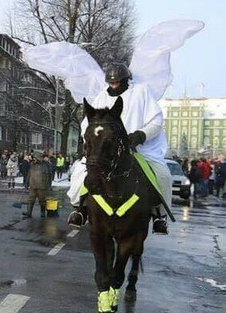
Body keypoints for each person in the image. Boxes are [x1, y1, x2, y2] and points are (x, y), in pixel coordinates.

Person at [68, 63, 172, 234]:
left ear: (125, 80)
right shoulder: (101, 97)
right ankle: (80, 210)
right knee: (79, 172)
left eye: (117, 82)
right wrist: (93, 140)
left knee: (163, 175)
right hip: (105, 151)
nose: (114, 85)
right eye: (111, 83)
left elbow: (156, 121)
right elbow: (88, 122)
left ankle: (158, 215)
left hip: (136, 148)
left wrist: (140, 135)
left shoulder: (141, 92)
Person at [23, 154, 51, 218]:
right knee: (30, 200)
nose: (33, 159)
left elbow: (48, 176)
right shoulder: (32, 165)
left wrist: (48, 185)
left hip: (41, 186)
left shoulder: (44, 165)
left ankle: (42, 212)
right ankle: (29, 212)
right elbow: (29, 174)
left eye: (35, 158)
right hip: (32, 186)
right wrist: (27, 183)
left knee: (42, 200)